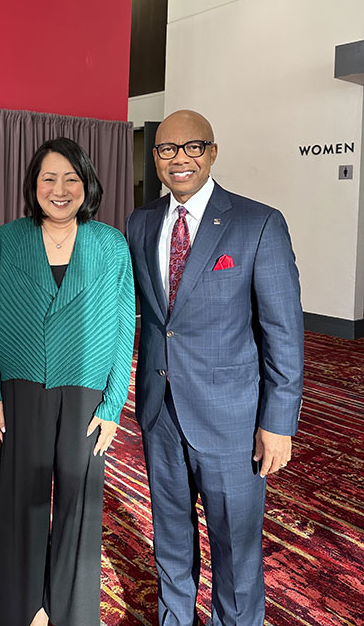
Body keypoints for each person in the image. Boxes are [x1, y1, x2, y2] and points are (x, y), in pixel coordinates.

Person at [126, 110, 304, 626]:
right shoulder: (141, 223)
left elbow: (284, 333)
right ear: (155, 157)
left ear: (213, 152)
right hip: (160, 414)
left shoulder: (258, 223)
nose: (179, 159)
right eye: (166, 150)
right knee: (172, 541)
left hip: (231, 420)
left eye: (193, 147)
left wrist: (278, 423)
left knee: (236, 553)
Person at [0, 137, 136, 626]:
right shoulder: (7, 239)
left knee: (79, 502)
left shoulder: (110, 244)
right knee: (20, 500)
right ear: (34, 185)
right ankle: (19, 606)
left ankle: (71, 610)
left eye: (71, 178)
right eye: (49, 177)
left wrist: (113, 405)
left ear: (86, 184)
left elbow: (126, 322)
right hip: (21, 386)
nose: (60, 188)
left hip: (87, 388)